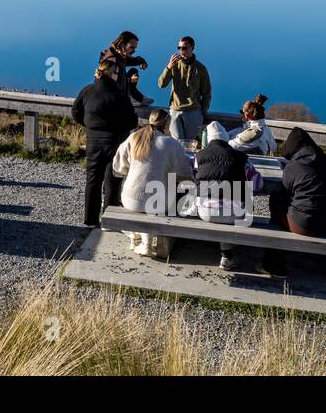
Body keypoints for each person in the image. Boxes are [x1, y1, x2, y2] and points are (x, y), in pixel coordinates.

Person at [262, 127, 326, 277]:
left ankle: (274, 263)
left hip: (308, 225)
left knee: (276, 201)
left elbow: (283, 192)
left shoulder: (294, 166)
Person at [112, 109, 194, 257]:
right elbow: (185, 175)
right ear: (167, 124)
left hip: (130, 200)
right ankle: (153, 241)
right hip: (158, 204)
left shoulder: (134, 137)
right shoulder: (171, 144)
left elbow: (118, 166)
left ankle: (140, 237)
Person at [71, 52, 138, 227]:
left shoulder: (87, 90)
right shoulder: (119, 95)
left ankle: (90, 220)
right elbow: (132, 121)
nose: (118, 76)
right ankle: (109, 220)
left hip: (93, 140)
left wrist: (90, 125)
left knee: (92, 179)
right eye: (117, 73)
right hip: (115, 142)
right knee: (112, 181)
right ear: (112, 74)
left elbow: (75, 112)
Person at [193, 136, 264, 271]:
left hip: (204, 212)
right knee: (236, 206)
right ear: (227, 144)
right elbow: (257, 185)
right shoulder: (241, 158)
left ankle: (225, 254)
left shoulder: (199, 156)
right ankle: (228, 256)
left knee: (214, 203)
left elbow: (192, 177)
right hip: (234, 214)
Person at [157, 35, 212, 144]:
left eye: (184, 48)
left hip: (193, 111)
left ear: (192, 48)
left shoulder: (200, 68)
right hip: (175, 110)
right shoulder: (174, 65)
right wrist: (168, 67)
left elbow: (206, 92)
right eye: (179, 48)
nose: (181, 51)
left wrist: (203, 111)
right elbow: (161, 84)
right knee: (177, 143)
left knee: (191, 144)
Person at [204, 94, 276, 155]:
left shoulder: (254, 132)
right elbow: (274, 147)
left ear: (247, 115)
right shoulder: (265, 129)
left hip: (250, 164)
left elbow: (229, 145)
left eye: (242, 113)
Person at [104, 31, 152, 109]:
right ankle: (132, 98)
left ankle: (132, 96)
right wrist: (129, 80)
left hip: (118, 94)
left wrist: (142, 62)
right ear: (122, 45)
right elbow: (108, 84)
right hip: (112, 100)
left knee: (133, 71)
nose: (133, 51)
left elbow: (132, 60)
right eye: (131, 47)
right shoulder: (112, 60)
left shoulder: (119, 56)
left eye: (135, 48)